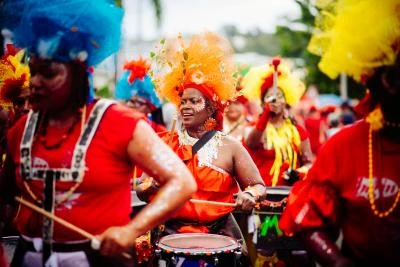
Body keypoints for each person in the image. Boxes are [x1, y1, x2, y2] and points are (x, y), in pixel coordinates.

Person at [0, 1, 197, 266]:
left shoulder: (121, 123)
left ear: (78, 73)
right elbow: (8, 200)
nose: (34, 82)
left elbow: (182, 183)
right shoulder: (20, 130)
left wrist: (130, 230)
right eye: (34, 71)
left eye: (48, 73)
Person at [279, 0, 400, 266]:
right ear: (372, 77)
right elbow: (306, 219)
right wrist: (336, 261)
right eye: (392, 74)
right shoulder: (345, 144)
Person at [149, 32, 266, 239]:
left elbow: (257, 186)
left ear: (211, 107)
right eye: (183, 102)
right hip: (169, 235)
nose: (186, 107)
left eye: (194, 102)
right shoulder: (163, 143)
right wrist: (151, 186)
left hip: (220, 236)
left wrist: (250, 194)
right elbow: (141, 188)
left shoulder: (230, 146)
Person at [242, 58, 313, 187]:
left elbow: (309, 163)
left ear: (286, 101)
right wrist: (266, 115)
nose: (276, 100)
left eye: (280, 96)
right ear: (263, 102)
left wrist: (299, 173)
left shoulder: (297, 130)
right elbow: (251, 143)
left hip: (289, 194)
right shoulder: (253, 126)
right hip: (262, 194)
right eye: (270, 97)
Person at [114, 57, 166, 133]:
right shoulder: (117, 129)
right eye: (128, 100)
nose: (130, 105)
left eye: (138, 102)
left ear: (151, 108)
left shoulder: (161, 133)